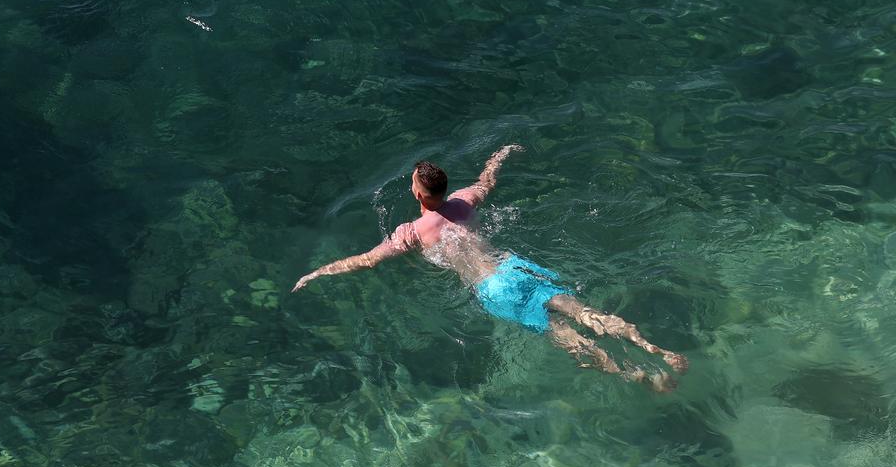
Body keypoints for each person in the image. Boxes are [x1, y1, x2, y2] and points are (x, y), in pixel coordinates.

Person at [291, 145, 689, 392]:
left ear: (417, 193)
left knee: (563, 335)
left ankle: (640, 376)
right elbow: (488, 179)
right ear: (443, 190)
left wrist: (318, 272)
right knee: (584, 312)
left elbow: (366, 260)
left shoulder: (411, 232)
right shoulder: (465, 202)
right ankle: (659, 351)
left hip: (493, 289)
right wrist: (500, 154)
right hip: (515, 267)